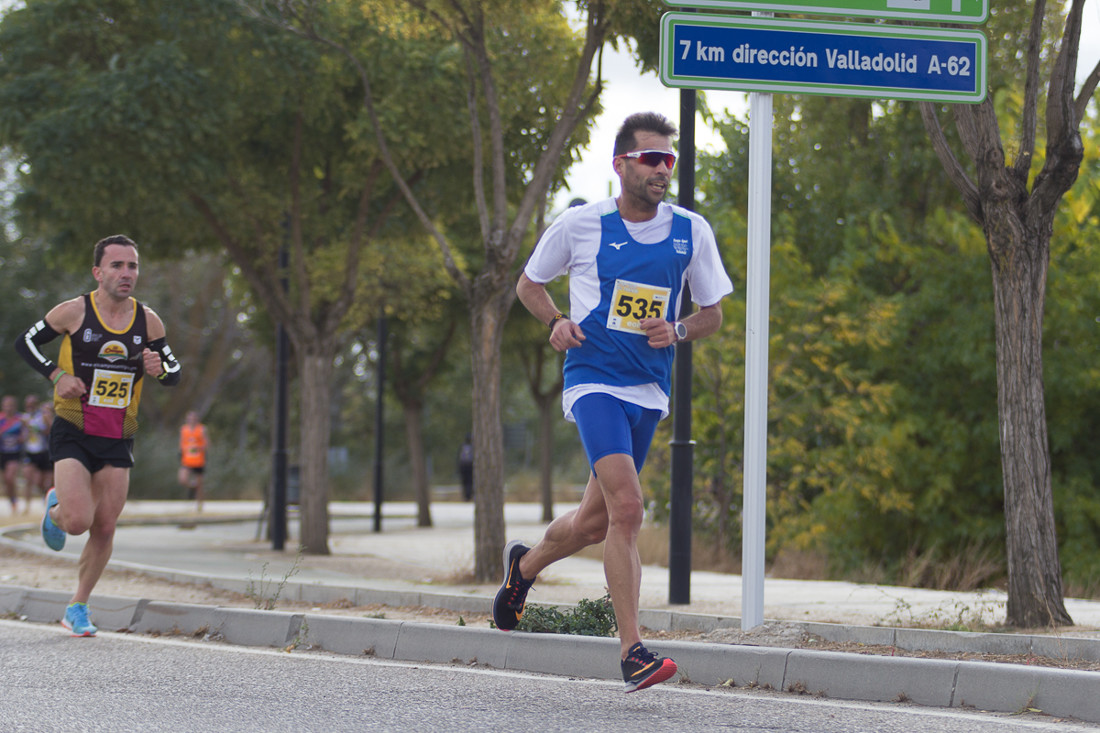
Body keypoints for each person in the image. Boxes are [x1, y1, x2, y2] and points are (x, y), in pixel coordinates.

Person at [496, 112, 734, 693]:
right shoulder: (581, 225)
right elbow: (529, 283)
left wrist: (676, 331)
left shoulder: (691, 231)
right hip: (593, 379)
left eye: (669, 160)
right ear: (621, 164)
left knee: (595, 521)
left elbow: (713, 315)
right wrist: (556, 321)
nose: (662, 169)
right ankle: (633, 651)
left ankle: (522, 568)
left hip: (649, 390)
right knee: (628, 510)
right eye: (651, 159)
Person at [14, 234, 181, 637]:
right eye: (117, 265)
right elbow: (25, 343)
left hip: (118, 433)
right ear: (98, 272)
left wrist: (160, 369)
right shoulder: (74, 311)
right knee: (77, 523)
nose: (126, 274)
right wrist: (57, 375)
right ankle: (56, 510)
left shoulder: (148, 321)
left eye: (133, 266)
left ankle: (78, 605)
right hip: (73, 426)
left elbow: (173, 373)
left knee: (104, 527)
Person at [21, 394, 54, 511]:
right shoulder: (23, 417)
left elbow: (49, 432)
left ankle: (45, 499)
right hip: (30, 451)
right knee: (28, 478)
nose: (30, 406)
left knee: (43, 482)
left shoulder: (43, 417)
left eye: (32, 404)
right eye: (28, 404)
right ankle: (26, 506)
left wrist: (36, 427)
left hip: (43, 451)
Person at [178, 410, 208, 511]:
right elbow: (182, 443)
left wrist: (197, 448)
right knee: (182, 479)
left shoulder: (202, 429)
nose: (191, 420)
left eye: (193, 418)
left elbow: (207, 444)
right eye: (189, 418)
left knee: (200, 485)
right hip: (187, 460)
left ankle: (200, 505)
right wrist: (183, 451)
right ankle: (192, 486)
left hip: (198, 460)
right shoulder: (184, 429)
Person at [0, 395, 26, 513]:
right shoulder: (0, 419)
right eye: (6, 405)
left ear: (15, 407)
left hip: (14, 453)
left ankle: (14, 502)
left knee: (10, 478)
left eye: (11, 405)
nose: (8, 408)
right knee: (6, 480)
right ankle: (12, 499)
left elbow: (26, 435)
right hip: (2, 452)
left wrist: (22, 437)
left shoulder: (20, 420)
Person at [457, 434, 474, 501]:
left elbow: (458, 458)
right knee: (468, 482)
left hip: (464, 466)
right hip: (469, 466)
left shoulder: (462, 446)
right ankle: (468, 496)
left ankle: (467, 496)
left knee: (466, 482)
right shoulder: (472, 447)